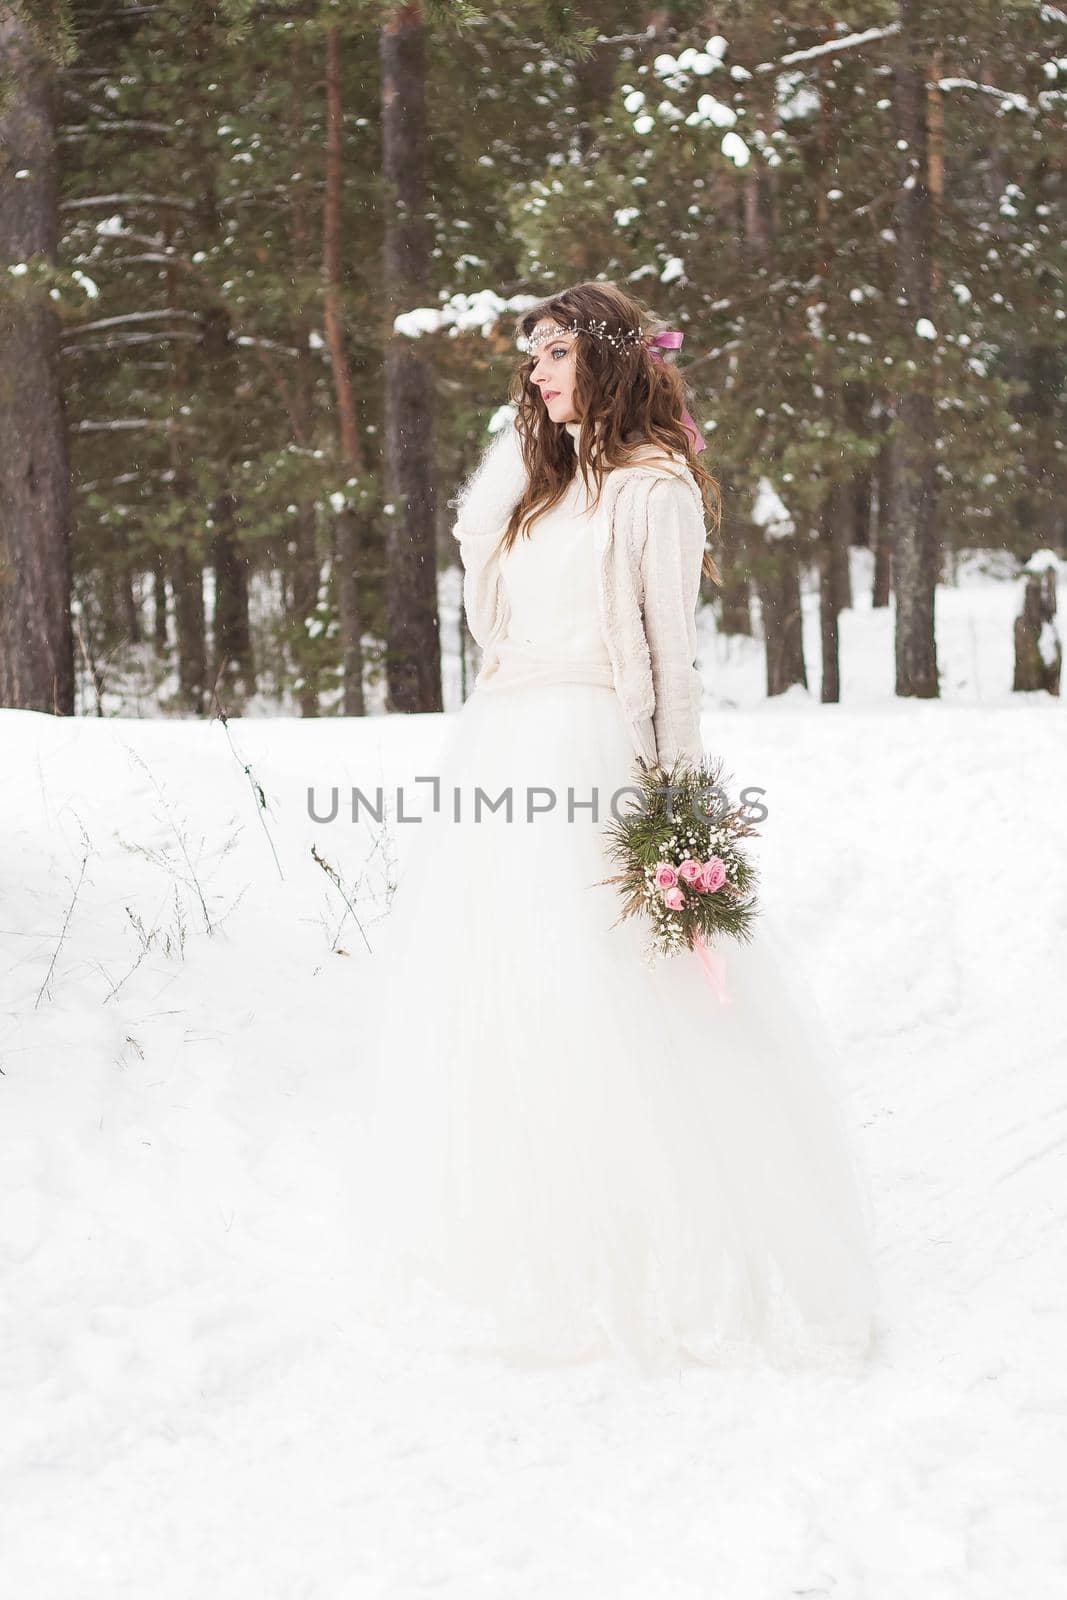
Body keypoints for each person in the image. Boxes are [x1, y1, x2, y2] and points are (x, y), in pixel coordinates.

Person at [347, 282, 878, 1375]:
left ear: (606, 357)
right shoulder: (538, 497)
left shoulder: (652, 488)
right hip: (502, 749)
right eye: (527, 360)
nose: (534, 375)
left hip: (595, 755)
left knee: (622, 998)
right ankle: (550, 1259)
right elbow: (483, 586)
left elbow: (673, 664)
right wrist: (516, 457)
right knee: (519, 999)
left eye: (552, 354)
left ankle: (676, 1264)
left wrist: (678, 817)